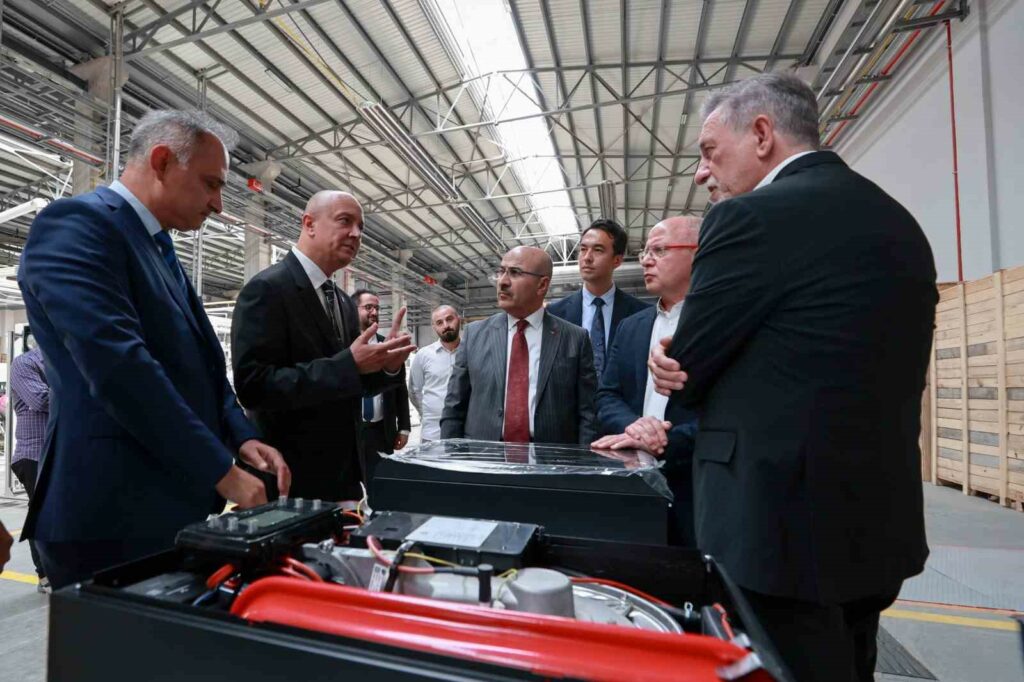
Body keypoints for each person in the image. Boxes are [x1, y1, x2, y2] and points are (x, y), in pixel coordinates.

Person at [647, 73, 938, 682]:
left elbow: (689, 371)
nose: (702, 174)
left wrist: (678, 361)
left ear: (761, 134)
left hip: (776, 531)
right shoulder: (899, 223)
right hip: (875, 521)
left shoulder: (748, 219)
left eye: (709, 152)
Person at [18, 109, 290, 589]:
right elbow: (119, 367)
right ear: (162, 161)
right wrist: (221, 471)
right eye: (211, 184)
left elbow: (203, 366)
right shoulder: (77, 224)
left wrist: (240, 437)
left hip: (164, 510)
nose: (218, 205)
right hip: (109, 518)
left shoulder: (157, 247)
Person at [232, 191, 415, 501]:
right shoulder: (267, 289)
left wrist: (387, 368)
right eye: (345, 221)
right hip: (291, 479)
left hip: (343, 476)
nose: (356, 234)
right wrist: (349, 365)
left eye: (360, 227)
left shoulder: (342, 301)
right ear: (309, 224)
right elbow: (254, 386)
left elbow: (350, 382)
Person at [591, 216, 701, 545]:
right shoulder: (632, 326)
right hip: (635, 482)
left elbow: (733, 410)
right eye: (645, 252)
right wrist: (636, 427)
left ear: (698, 253)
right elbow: (607, 395)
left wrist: (663, 441)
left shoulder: (723, 322)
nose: (646, 260)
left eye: (659, 250)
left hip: (699, 483)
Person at [441, 246, 597, 445]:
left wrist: (582, 459)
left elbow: (588, 414)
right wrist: (451, 458)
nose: (502, 281)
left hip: (551, 458)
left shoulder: (575, 339)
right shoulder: (474, 335)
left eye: (515, 273)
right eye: (501, 272)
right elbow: (454, 407)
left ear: (542, 285)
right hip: (484, 457)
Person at [547, 218, 649, 373]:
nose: (587, 257)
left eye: (598, 250)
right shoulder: (555, 314)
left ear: (617, 260)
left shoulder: (640, 314)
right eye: (583, 249)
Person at [352, 288, 411, 482]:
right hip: (352, 430)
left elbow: (400, 389)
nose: (374, 312)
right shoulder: (344, 346)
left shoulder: (387, 345)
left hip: (381, 430)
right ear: (353, 310)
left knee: (379, 483)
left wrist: (404, 427)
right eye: (368, 307)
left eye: (377, 308)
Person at [9, 343, 51, 591]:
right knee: (43, 514)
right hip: (33, 454)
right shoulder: (25, 363)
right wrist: (75, 388)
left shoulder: (65, 362)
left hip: (57, 450)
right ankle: (45, 576)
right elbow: (40, 399)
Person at [408, 304, 461, 442]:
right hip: (432, 432)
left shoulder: (471, 351)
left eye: (449, 319)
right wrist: (426, 413)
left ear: (459, 319)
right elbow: (414, 390)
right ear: (434, 327)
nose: (446, 325)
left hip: (464, 431)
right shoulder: (424, 355)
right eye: (439, 322)